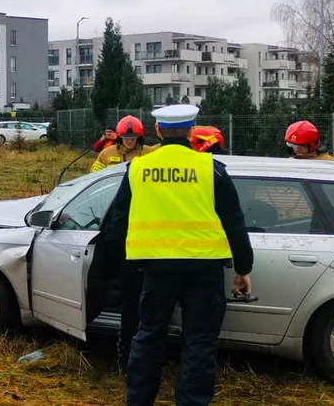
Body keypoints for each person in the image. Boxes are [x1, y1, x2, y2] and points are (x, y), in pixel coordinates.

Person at [108, 104, 254, 406]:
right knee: (199, 342)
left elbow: (118, 221)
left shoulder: (138, 168)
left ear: (158, 132)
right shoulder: (210, 168)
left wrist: (124, 263)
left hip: (155, 269)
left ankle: (139, 400)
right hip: (205, 269)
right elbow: (235, 222)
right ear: (191, 132)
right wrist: (243, 268)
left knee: (148, 336)